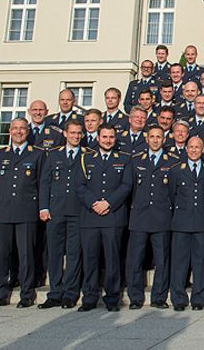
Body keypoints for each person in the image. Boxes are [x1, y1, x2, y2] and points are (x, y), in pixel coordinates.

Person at [0, 118, 45, 308]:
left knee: (26, 254)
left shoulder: (37, 154)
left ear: (28, 132)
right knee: (2, 254)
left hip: (26, 210)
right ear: (9, 131)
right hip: (3, 210)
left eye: (22, 129)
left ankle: (27, 294)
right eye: (15, 128)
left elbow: (42, 183)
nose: (19, 132)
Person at [76, 124, 133, 312]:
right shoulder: (85, 158)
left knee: (112, 260)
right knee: (90, 259)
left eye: (111, 137)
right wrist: (94, 203)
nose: (108, 140)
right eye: (104, 137)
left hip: (113, 217)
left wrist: (108, 203)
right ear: (98, 138)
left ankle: (112, 298)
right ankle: (89, 297)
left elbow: (126, 186)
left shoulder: (124, 159)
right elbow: (80, 186)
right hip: (91, 217)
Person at [37, 120, 89, 309]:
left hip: (78, 212)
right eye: (73, 133)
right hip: (56, 211)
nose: (76, 136)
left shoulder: (87, 156)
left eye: (79, 133)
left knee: (74, 254)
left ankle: (70, 293)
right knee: (55, 253)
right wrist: (44, 207)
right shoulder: (53, 155)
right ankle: (55, 292)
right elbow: (45, 182)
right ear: (65, 134)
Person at [126, 126, 177, 310]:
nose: (155, 140)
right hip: (139, 217)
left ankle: (159, 297)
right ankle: (135, 297)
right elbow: (130, 189)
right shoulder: (136, 160)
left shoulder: (171, 161)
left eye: (159, 137)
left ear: (164, 139)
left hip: (162, 217)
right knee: (135, 259)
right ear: (147, 139)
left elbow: (173, 192)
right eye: (153, 137)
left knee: (162, 261)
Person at [169, 137, 204, 311]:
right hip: (181, 223)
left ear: (203, 150)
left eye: (198, 147)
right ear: (186, 149)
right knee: (179, 263)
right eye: (191, 147)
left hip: (202, 223)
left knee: (201, 263)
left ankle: (198, 299)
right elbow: (172, 195)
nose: (194, 150)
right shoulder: (176, 171)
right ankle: (179, 299)